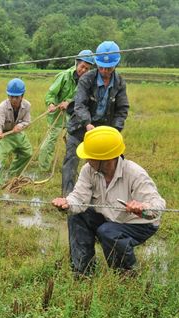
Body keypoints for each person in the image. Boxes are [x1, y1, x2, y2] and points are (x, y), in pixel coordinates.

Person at [52, 126, 165, 277]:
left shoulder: (134, 173)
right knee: (77, 216)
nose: (86, 159)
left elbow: (158, 205)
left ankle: (125, 274)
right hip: (110, 218)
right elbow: (79, 198)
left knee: (107, 231)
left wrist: (143, 207)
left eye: (90, 156)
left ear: (106, 160)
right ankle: (83, 271)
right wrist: (67, 203)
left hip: (139, 224)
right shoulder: (88, 170)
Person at [62, 41, 129, 196]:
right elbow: (79, 105)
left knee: (106, 163)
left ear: (116, 65)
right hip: (80, 126)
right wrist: (87, 123)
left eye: (109, 68)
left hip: (104, 128)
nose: (104, 71)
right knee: (71, 161)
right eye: (101, 67)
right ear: (97, 64)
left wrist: (114, 130)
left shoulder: (119, 83)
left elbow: (122, 109)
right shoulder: (87, 79)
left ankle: (100, 197)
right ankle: (68, 198)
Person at [38, 50, 94, 172]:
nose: (84, 70)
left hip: (74, 116)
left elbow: (85, 100)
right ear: (76, 63)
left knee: (77, 142)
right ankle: (43, 169)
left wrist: (69, 103)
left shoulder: (88, 82)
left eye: (87, 68)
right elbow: (51, 94)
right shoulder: (64, 76)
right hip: (58, 116)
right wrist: (51, 103)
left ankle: (74, 169)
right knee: (48, 144)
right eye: (82, 66)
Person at [0, 78, 33, 185]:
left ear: (22, 95)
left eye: (16, 97)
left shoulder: (27, 105)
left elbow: (27, 121)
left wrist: (20, 125)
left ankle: (13, 176)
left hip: (17, 133)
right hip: (4, 134)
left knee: (27, 153)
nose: (13, 99)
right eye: (11, 96)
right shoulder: (2, 106)